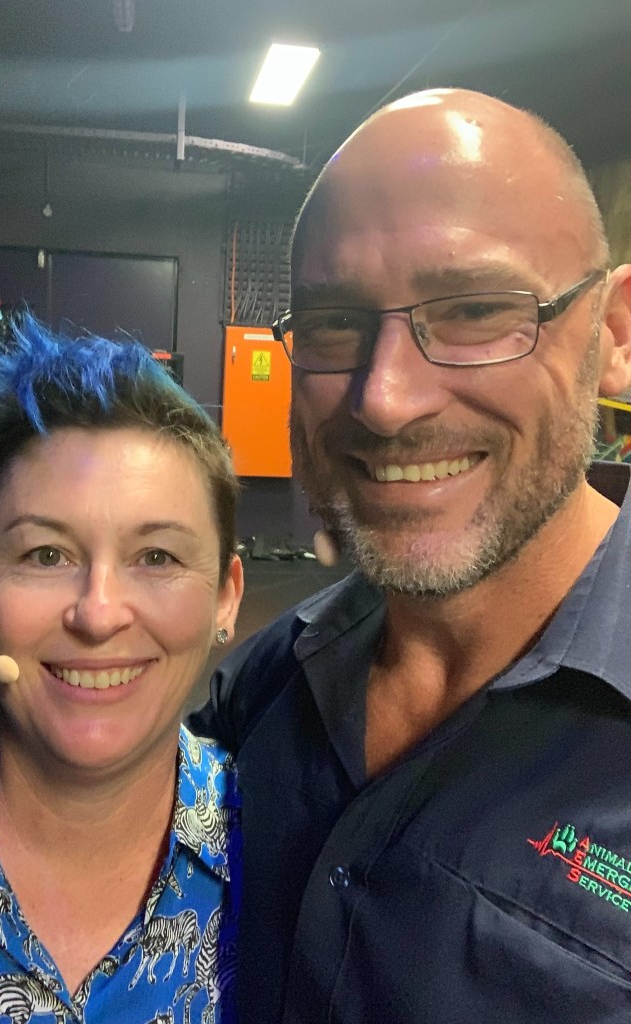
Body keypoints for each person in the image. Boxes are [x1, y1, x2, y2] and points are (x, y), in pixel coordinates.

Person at [191, 87, 631, 1023]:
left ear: (617, 336)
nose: (384, 400)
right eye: (335, 321)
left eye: (475, 309)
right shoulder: (268, 682)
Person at [0, 316, 244, 1023]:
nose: (97, 614)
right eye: (46, 555)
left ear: (226, 597)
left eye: (156, 557)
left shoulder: (291, 854)